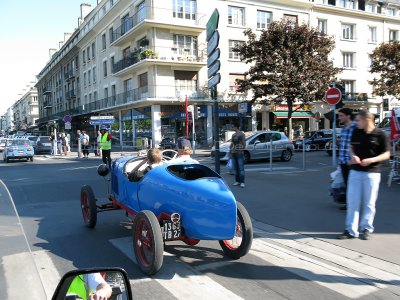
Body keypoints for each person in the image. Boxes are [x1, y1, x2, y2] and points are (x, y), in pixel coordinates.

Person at [337, 111, 390, 240]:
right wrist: (353, 156)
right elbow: (351, 147)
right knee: (352, 202)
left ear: (367, 120)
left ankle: (366, 228)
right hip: (355, 172)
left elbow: (387, 154)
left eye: (359, 120)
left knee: (369, 203)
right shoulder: (356, 132)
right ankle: (350, 230)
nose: (357, 123)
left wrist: (371, 160)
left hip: (372, 173)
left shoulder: (380, 134)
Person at [337, 108, 356, 210]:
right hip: (343, 161)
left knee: (352, 184)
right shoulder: (344, 128)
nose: (339, 118)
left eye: (341, 116)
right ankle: (349, 203)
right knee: (347, 183)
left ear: (348, 116)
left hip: (351, 161)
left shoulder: (355, 127)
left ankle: (353, 204)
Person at [230, 123, 246, 188]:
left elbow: (244, 143)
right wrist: (230, 150)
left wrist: (242, 150)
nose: (232, 128)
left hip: (239, 152)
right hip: (234, 152)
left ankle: (242, 182)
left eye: (233, 127)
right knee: (236, 168)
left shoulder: (242, 134)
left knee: (241, 168)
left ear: (236, 127)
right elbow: (232, 143)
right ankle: (237, 181)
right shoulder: (233, 135)